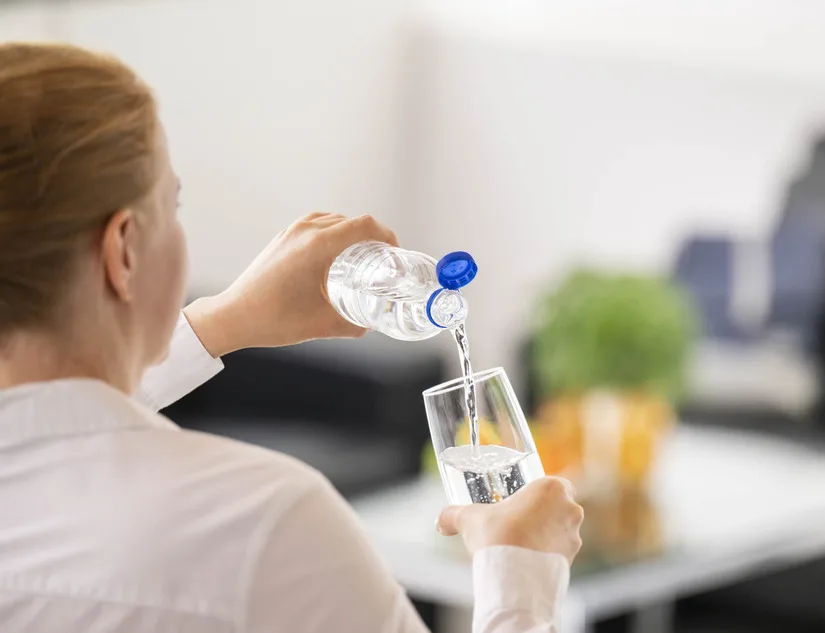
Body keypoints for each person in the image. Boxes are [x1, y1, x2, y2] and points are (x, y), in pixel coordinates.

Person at [0, 43, 584, 632]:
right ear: (122, 250)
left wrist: (222, 322)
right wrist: (521, 575)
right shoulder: (264, 521)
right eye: (171, 208)